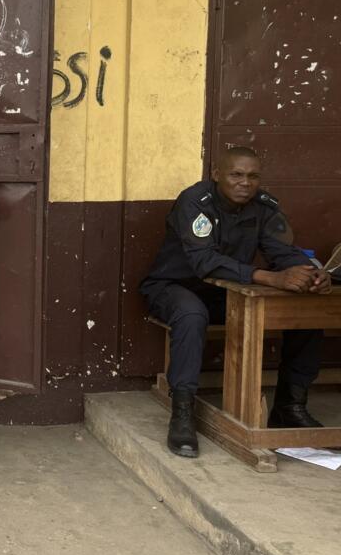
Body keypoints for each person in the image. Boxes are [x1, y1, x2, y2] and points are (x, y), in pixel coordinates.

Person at [140, 146, 331, 459]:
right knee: (191, 313)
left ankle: (290, 406)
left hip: (226, 291)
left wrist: (311, 274)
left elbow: (282, 251)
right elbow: (204, 261)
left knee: (303, 305)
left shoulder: (264, 207)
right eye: (236, 175)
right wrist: (270, 278)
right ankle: (183, 413)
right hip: (173, 287)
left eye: (253, 176)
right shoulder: (194, 202)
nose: (245, 183)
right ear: (217, 175)